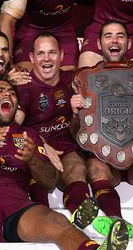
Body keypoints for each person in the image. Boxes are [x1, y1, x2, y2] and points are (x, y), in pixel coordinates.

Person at [0, 76, 129, 250]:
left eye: (12, 93)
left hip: (17, 207)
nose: (8, 95)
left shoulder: (28, 134)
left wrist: (33, 160)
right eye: (0, 90)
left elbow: (50, 181)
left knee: (57, 221)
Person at [70, 21, 133, 238]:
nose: (114, 41)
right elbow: (77, 134)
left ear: (129, 42)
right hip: (106, 161)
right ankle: (115, 220)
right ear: (99, 43)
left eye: (120, 36)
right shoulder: (86, 80)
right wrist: (75, 114)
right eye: (108, 36)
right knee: (94, 167)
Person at [16, 32, 98, 228]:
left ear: (62, 56)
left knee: (77, 166)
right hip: (36, 147)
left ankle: (80, 212)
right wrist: (41, 144)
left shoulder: (75, 82)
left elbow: (77, 131)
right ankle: (43, 220)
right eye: (41, 54)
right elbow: (13, 127)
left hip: (66, 146)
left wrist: (77, 114)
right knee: (37, 167)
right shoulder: (24, 88)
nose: (46, 59)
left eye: (52, 53)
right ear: (32, 58)